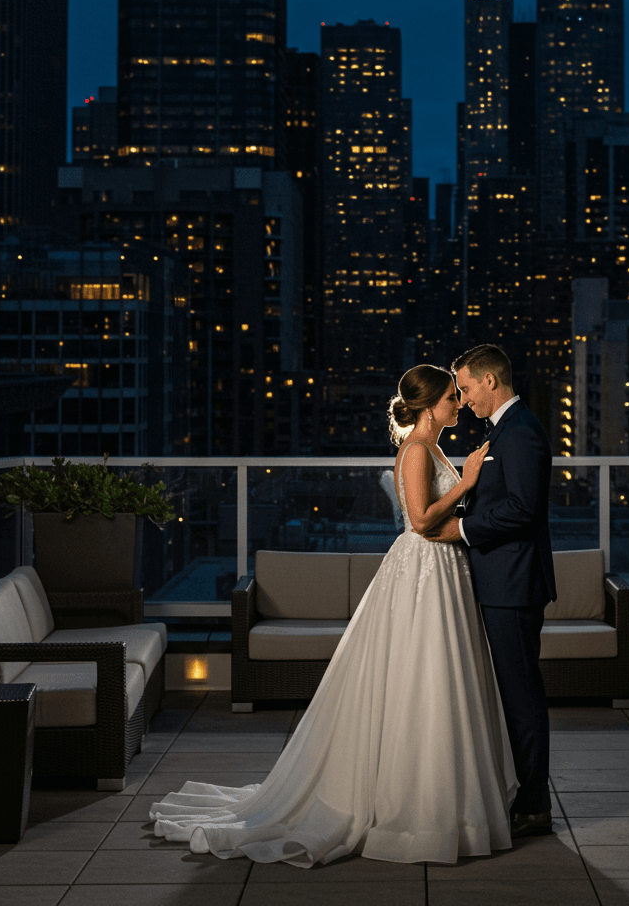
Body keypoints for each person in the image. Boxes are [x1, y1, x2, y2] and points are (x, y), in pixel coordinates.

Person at [150, 364, 517, 866]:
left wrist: (465, 484)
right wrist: (467, 482)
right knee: (421, 677)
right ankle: (414, 810)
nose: (459, 403)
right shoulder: (413, 451)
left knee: (442, 679)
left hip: (444, 572)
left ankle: (447, 802)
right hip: (423, 571)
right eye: (452, 397)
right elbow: (421, 520)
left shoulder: (434, 448)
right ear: (431, 404)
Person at [426, 343, 556, 838]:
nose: (462, 398)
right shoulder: (504, 429)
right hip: (501, 581)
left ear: (490, 381)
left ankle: (534, 804)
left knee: (521, 696)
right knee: (512, 693)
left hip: (514, 585)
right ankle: (524, 795)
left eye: (465, 387)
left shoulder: (520, 432)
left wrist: (460, 530)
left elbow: (523, 509)